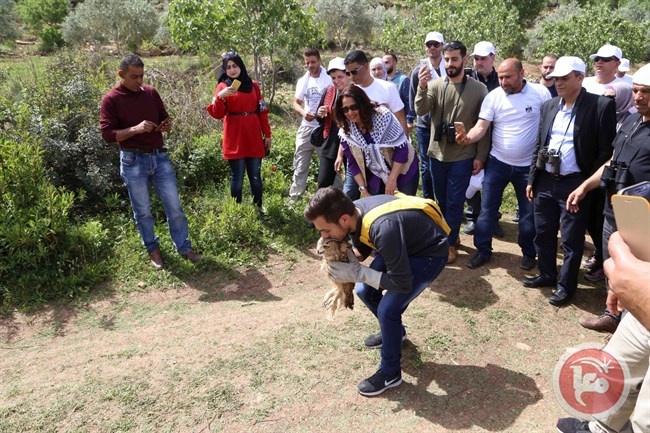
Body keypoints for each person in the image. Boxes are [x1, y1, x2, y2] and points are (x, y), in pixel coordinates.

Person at [304, 187, 448, 396]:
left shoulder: (383, 228)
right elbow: (362, 249)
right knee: (364, 291)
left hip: (429, 254)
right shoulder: (354, 213)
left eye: (325, 230)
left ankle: (390, 374)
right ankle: (396, 333)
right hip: (405, 246)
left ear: (344, 220)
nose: (324, 238)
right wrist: (344, 260)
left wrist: (357, 272)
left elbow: (401, 283)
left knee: (388, 310)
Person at [523, 56, 616, 306]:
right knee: (542, 232)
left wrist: (587, 187)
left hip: (575, 183)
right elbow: (540, 144)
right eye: (556, 79)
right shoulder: (550, 105)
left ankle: (566, 286)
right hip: (545, 180)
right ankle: (546, 273)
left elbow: (606, 153)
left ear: (579, 78)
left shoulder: (600, 106)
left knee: (572, 239)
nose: (559, 83)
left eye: (565, 78)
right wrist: (533, 178)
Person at [567, 63, 650, 332]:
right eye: (636, 91)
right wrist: (585, 187)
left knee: (636, 268)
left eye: (646, 92)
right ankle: (612, 314)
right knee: (610, 261)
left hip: (642, 216)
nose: (638, 97)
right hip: (614, 206)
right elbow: (613, 161)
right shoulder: (630, 119)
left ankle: (634, 322)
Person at [100, 54, 200, 269]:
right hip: (132, 159)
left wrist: (165, 126)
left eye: (141, 76)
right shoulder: (111, 99)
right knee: (143, 209)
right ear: (121, 75)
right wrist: (135, 129)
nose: (139, 81)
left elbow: (165, 118)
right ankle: (152, 249)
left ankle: (183, 246)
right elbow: (108, 135)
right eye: (134, 77)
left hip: (158, 156)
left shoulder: (151, 93)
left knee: (174, 205)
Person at [457, 58, 551, 270]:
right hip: (497, 163)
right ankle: (483, 250)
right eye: (500, 77)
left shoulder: (540, 94)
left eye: (508, 77)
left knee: (528, 214)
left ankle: (528, 253)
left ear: (522, 73)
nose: (503, 81)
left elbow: (549, 124)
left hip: (528, 168)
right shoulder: (494, 97)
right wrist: (468, 138)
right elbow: (481, 127)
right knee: (487, 210)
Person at [556, 232, 650, 433]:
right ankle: (602, 428)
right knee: (614, 371)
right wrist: (624, 280)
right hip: (644, 294)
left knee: (647, 416)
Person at [415, 41, 490, 264]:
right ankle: (452, 235)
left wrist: (480, 156)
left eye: (454, 59)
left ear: (464, 59)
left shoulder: (479, 89)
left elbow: (484, 127)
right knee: (441, 200)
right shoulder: (436, 85)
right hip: (437, 154)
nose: (449, 63)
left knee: (455, 201)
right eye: (447, 59)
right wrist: (421, 86)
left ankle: (448, 244)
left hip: (463, 155)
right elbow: (421, 110)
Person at [580, 44, 626, 282]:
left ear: (617, 63)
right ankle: (599, 252)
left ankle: (603, 259)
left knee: (601, 215)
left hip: (607, 155)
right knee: (588, 215)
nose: (599, 62)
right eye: (597, 58)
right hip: (582, 155)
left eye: (606, 60)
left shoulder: (624, 87)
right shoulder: (585, 83)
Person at [206, 51, 271, 216]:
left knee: (255, 176)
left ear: (241, 66)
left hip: (253, 134)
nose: (232, 70)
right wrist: (220, 97)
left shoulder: (253, 85)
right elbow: (217, 114)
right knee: (237, 177)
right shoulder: (223, 87)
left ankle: (258, 208)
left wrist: (267, 134)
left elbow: (262, 111)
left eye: (235, 66)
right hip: (234, 136)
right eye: (228, 67)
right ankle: (237, 212)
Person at [341, 50, 407, 200]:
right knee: (352, 191)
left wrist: (403, 145)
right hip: (359, 154)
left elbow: (400, 118)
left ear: (365, 65)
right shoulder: (350, 93)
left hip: (388, 153)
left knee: (392, 195)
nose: (352, 76)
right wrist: (341, 153)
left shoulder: (387, 88)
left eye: (354, 71)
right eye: (348, 73)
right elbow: (345, 131)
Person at [335, 85, 418, 196]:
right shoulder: (346, 130)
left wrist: (392, 180)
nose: (350, 113)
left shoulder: (383, 117)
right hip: (375, 175)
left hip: (403, 171)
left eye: (354, 107)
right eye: (345, 109)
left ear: (362, 105)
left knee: (403, 209)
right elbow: (352, 162)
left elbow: (401, 149)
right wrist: (363, 189)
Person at [463, 41, 503, 237]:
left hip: (497, 136)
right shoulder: (467, 78)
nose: (479, 62)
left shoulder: (501, 80)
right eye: (476, 58)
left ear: (493, 58)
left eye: (483, 58)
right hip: (474, 135)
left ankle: (492, 217)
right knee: (472, 176)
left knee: (493, 181)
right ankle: (472, 216)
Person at [288, 48, 332, 206]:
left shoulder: (329, 78)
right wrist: (303, 112)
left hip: (324, 128)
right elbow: (295, 102)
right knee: (300, 164)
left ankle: (336, 197)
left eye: (313, 62)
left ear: (319, 60)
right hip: (306, 127)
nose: (310, 65)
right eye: (307, 63)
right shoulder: (303, 80)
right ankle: (295, 198)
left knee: (329, 164)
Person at [408, 31, 447, 200]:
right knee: (426, 165)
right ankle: (429, 201)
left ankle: (445, 200)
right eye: (429, 44)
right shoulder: (419, 71)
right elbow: (413, 100)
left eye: (436, 44)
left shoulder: (450, 67)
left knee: (445, 163)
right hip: (425, 125)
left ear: (442, 46)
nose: (432, 48)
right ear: (425, 48)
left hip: (446, 123)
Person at [314, 57, 349, 189]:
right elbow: (319, 118)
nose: (336, 81)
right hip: (331, 141)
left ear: (348, 74)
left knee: (353, 184)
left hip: (351, 141)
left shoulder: (354, 92)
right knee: (323, 182)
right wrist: (320, 113)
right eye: (333, 78)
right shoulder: (329, 91)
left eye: (340, 76)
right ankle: (325, 208)